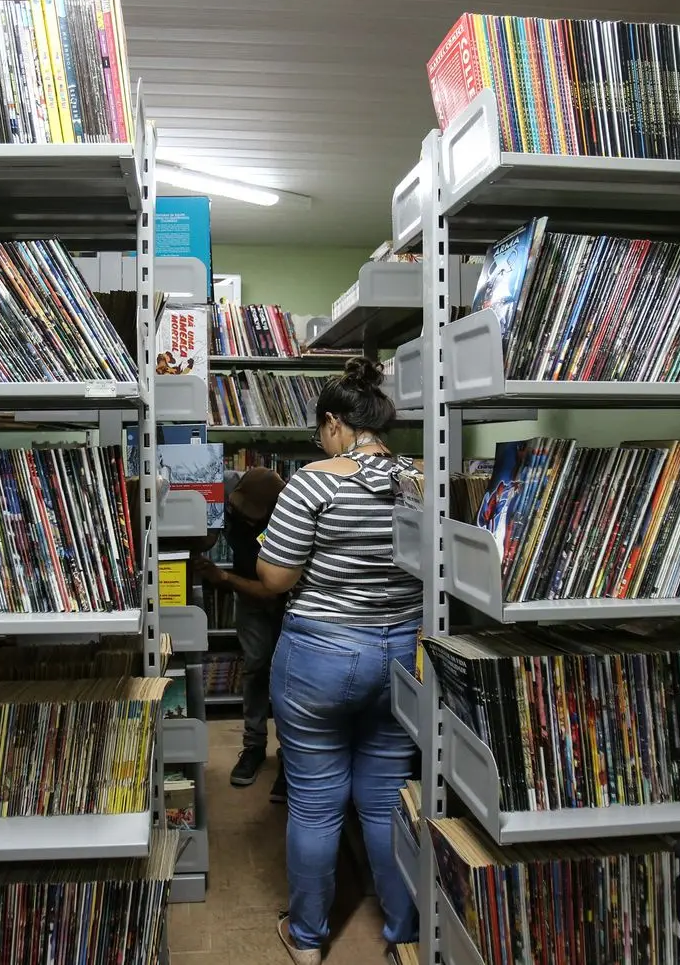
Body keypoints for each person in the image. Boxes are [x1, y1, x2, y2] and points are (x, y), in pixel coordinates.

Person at [256, 357, 421, 965]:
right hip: (403, 651)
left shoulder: (315, 480)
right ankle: (404, 933)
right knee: (384, 801)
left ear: (333, 423)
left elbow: (275, 578)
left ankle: (306, 940)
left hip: (322, 652)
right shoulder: (420, 478)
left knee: (317, 803)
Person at [192, 466, 287, 801]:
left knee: (288, 679)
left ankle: (289, 760)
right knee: (255, 668)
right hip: (250, 598)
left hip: (286, 597)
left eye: (251, 516)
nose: (242, 518)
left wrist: (224, 580)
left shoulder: (289, 515)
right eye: (237, 509)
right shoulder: (230, 490)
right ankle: (253, 747)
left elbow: (272, 590)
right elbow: (210, 537)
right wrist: (201, 525)